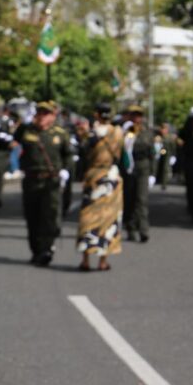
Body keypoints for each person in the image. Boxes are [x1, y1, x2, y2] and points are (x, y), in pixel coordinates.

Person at [13, 101, 73, 266]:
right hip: (31, 180)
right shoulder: (27, 130)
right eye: (39, 113)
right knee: (32, 216)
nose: (41, 116)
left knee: (50, 216)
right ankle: (36, 250)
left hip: (51, 180)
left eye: (45, 113)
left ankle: (47, 249)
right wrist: (23, 121)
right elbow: (14, 139)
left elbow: (68, 154)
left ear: (53, 116)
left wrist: (65, 170)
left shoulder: (60, 133)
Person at [76, 104, 124, 271]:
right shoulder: (118, 132)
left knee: (88, 217)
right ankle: (103, 260)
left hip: (94, 175)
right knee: (109, 219)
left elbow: (83, 152)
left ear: (96, 115)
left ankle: (86, 259)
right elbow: (121, 153)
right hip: (112, 175)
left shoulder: (91, 133)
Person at [123, 106, 154, 243]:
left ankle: (143, 230)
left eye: (139, 115)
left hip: (143, 167)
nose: (137, 118)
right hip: (129, 168)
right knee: (129, 199)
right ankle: (130, 227)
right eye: (134, 115)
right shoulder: (126, 131)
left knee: (142, 199)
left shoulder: (147, 131)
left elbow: (152, 152)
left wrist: (153, 172)